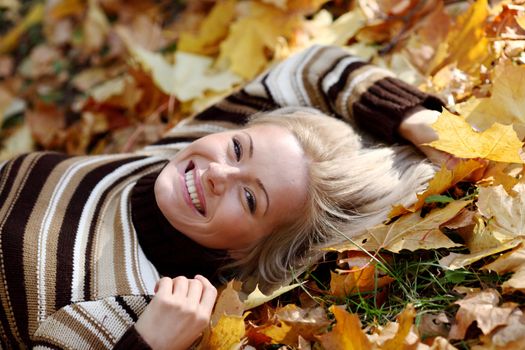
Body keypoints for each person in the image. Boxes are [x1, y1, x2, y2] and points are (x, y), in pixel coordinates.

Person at [0, 45, 445, 349]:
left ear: (253, 251)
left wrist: (146, 343)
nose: (218, 174)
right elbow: (312, 65)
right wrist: (410, 116)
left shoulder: (138, 303)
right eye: (238, 148)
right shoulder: (183, 153)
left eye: (250, 199)